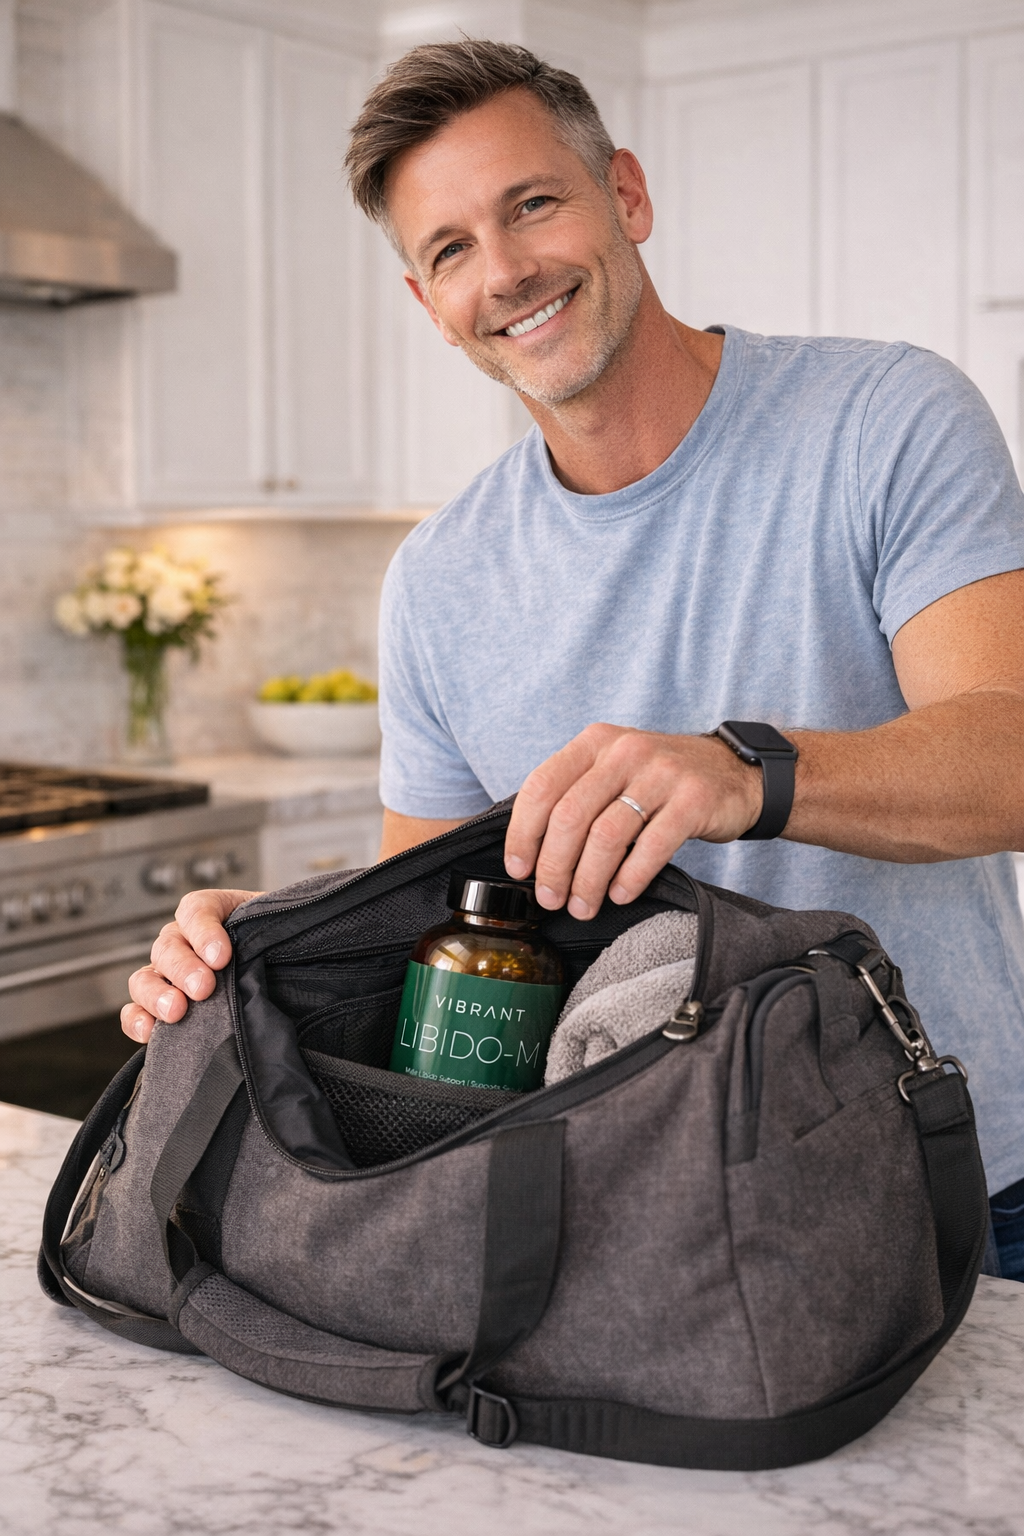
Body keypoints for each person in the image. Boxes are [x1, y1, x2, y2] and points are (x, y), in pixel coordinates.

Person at [121, 42, 1024, 1278]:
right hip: (619, 1232)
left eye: (532, 204)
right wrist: (280, 941)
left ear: (627, 197)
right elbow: (429, 917)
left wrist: (741, 772)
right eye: (449, 250)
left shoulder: (885, 421)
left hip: (944, 1187)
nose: (505, 272)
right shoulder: (439, 581)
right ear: (427, 305)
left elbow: (1009, 752)